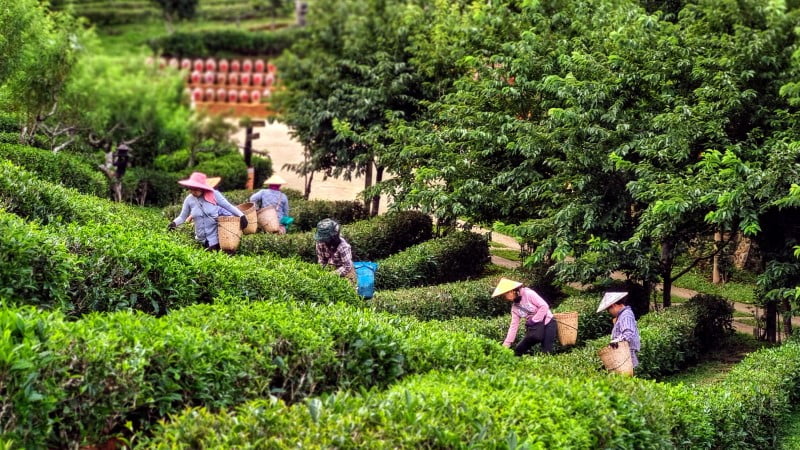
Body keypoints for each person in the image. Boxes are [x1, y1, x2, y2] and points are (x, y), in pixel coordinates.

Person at [168, 172, 247, 252]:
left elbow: (228, 206)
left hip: (216, 240)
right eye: (190, 189)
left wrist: (241, 215)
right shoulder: (189, 200)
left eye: (195, 189)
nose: (192, 192)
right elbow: (182, 217)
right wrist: (174, 223)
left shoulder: (214, 195)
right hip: (200, 240)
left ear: (202, 188)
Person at [492, 277, 557, 356]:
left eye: (505, 295)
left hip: (548, 322)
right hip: (536, 327)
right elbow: (513, 326)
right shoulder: (514, 308)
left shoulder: (528, 293)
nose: (505, 298)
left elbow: (544, 306)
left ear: (511, 291)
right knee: (518, 350)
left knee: (547, 352)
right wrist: (505, 346)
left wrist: (534, 320)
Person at [596, 292, 641, 369]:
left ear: (614, 305)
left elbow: (628, 333)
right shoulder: (622, 316)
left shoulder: (626, 315)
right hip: (623, 354)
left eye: (608, 309)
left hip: (627, 355)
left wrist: (615, 341)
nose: (609, 312)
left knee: (628, 378)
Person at [314, 218, 356, 284]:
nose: (325, 241)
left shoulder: (343, 246)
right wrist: (323, 273)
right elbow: (321, 260)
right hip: (331, 268)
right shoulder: (320, 243)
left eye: (327, 239)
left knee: (347, 288)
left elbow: (347, 266)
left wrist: (331, 275)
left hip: (345, 271)